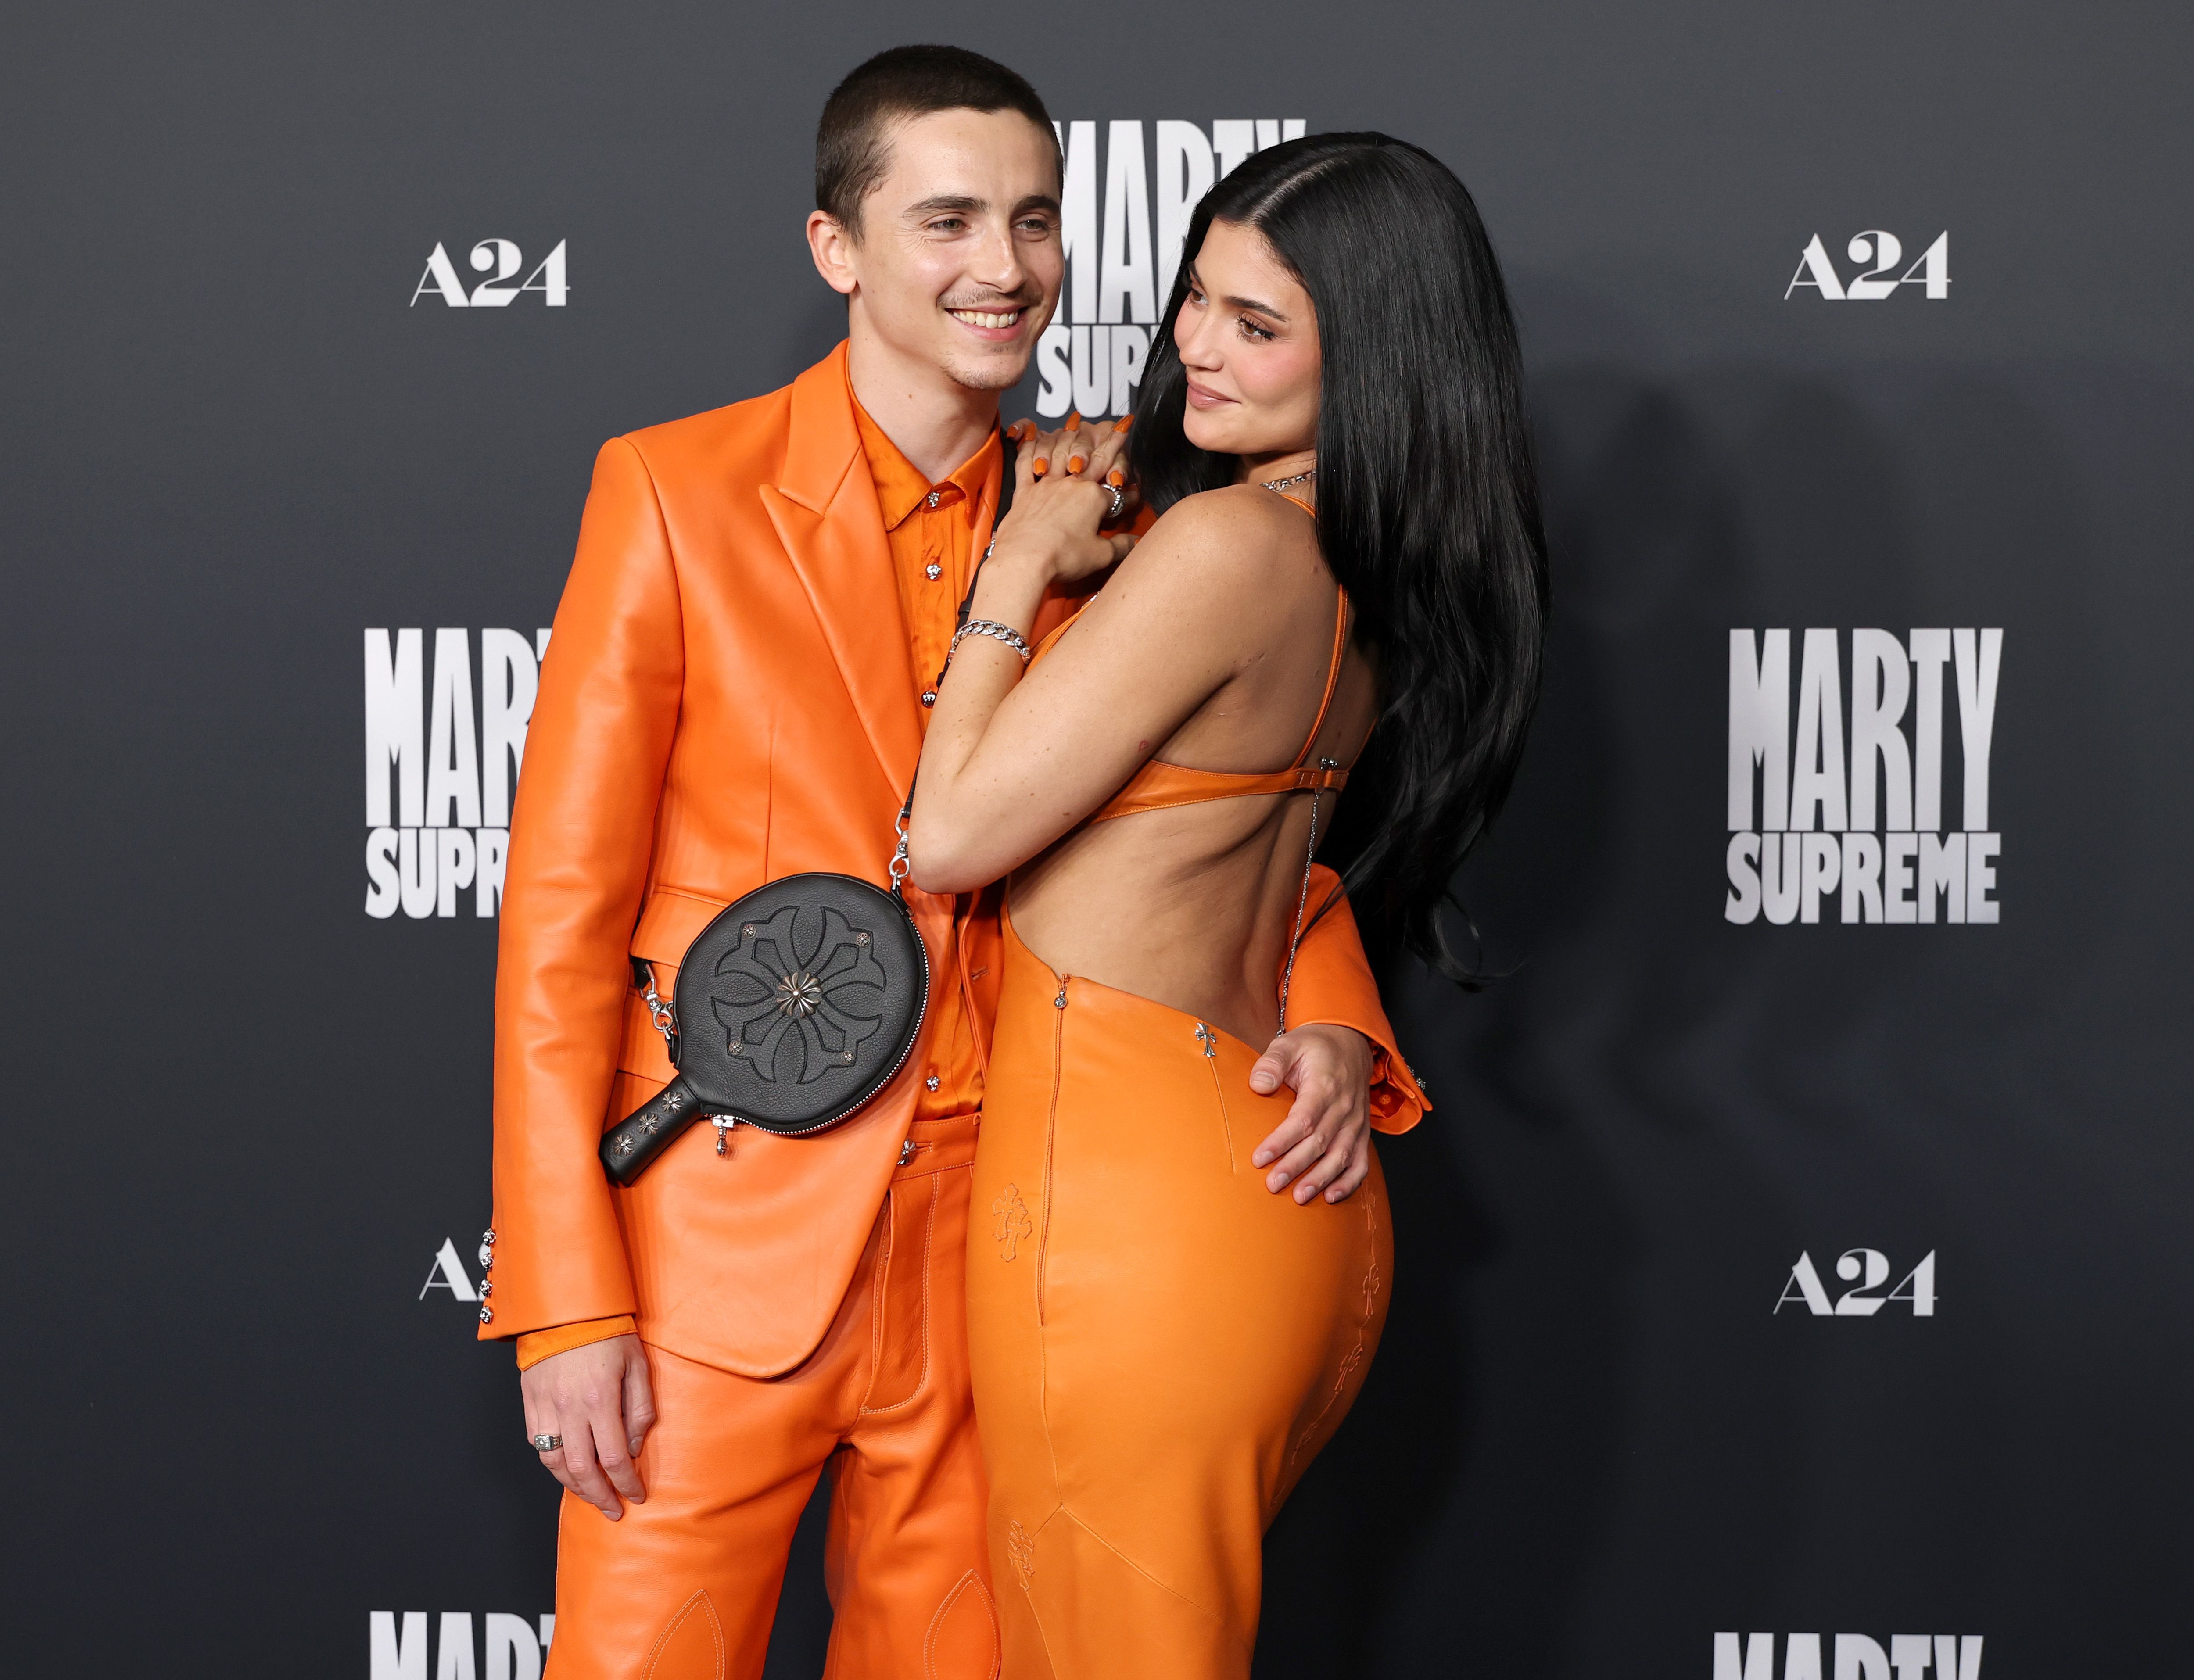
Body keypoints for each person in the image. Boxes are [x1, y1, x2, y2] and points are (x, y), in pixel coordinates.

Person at [481, 50, 1427, 1679]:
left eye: (1035, 220)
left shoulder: (1127, 518)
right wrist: (568, 1303)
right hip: (718, 1252)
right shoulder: (676, 494)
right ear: (837, 248)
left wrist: (1334, 1021)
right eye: (949, 221)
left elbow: (1232, 832)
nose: (1004, 265)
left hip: (1007, 1261)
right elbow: (559, 926)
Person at [907, 132, 1548, 1677]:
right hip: (1265, 1205)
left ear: (1375, 361)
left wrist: (1017, 566)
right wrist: (1342, 1027)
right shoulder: (1362, 563)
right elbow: (1278, 866)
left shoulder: (1225, 544)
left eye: (1258, 326)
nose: (1196, 344)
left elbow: (953, 838)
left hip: (1128, 1213)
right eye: (1198, 297)